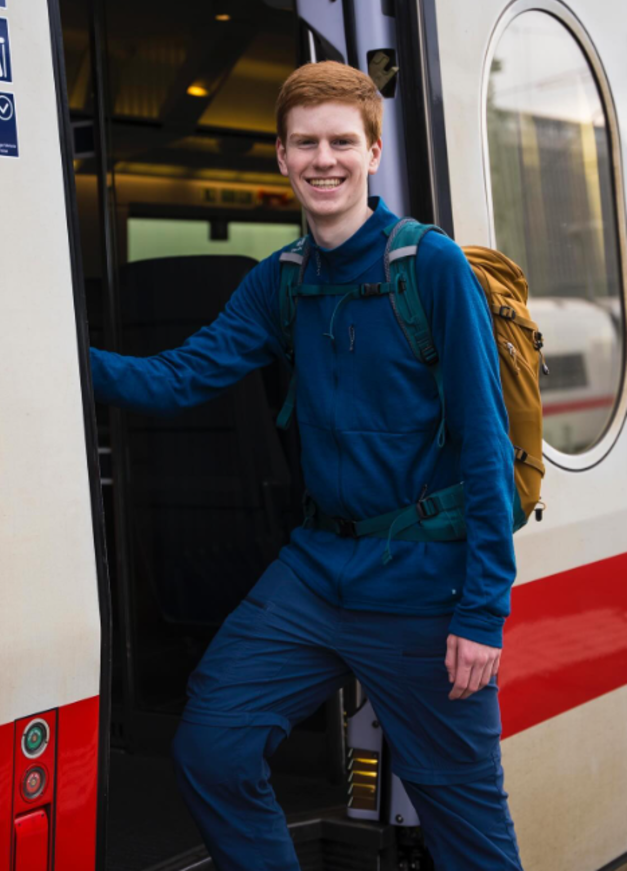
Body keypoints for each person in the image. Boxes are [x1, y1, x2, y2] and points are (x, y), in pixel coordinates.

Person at [89, 61, 523, 870]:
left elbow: (485, 445)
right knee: (211, 749)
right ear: (281, 158)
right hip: (317, 571)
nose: (324, 159)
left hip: (424, 585)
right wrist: (58, 356)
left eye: (340, 142)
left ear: (373, 152)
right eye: (304, 143)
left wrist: (480, 612)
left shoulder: (430, 269)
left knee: (466, 828)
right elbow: (180, 376)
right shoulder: (278, 283)